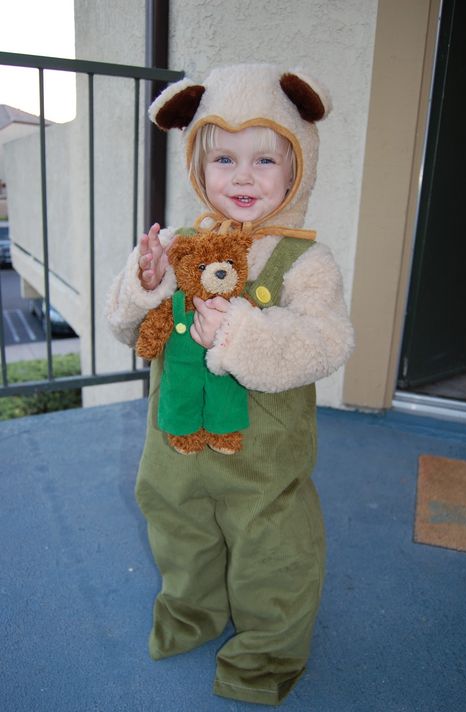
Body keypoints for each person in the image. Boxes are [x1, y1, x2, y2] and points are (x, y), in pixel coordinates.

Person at [106, 63, 354, 706]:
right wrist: (148, 283)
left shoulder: (306, 260)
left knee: (274, 554)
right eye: (224, 158)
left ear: (298, 164)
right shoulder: (181, 244)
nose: (243, 176)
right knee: (178, 532)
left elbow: (326, 342)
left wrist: (242, 335)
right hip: (175, 448)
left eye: (265, 158)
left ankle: (267, 656)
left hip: (262, 461)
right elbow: (130, 332)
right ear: (197, 164)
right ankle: (192, 614)